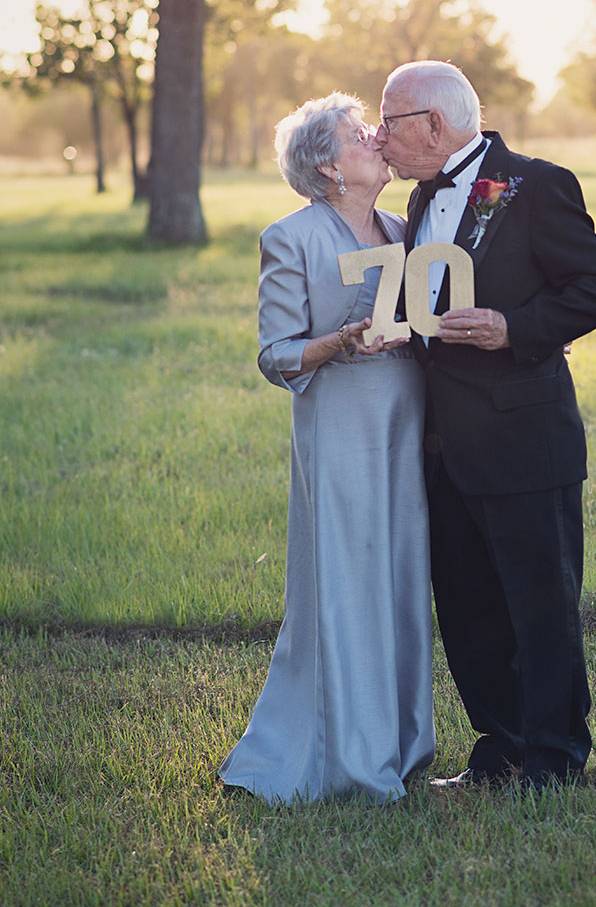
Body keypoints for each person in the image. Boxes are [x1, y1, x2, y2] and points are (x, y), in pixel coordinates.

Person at [376, 61, 596, 791]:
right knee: (469, 610)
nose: (379, 133)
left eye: (388, 119)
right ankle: (499, 748)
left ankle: (554, 761)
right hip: (443, 445)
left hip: (523, 439)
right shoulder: (420, 199)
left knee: (540, 606)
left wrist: (513, 326)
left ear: (432, 123)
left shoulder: (537, 183)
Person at [218, 93, 434, 805]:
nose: (375, 136)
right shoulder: (291, 237)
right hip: (339, 422)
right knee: (347, 576)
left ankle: (401, 744)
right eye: (356, 133)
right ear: (326, 166)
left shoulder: (407, 227)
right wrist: (339, 341)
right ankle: (348, 755)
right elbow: (274, 353)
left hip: (407, 421)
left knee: (401, 571)